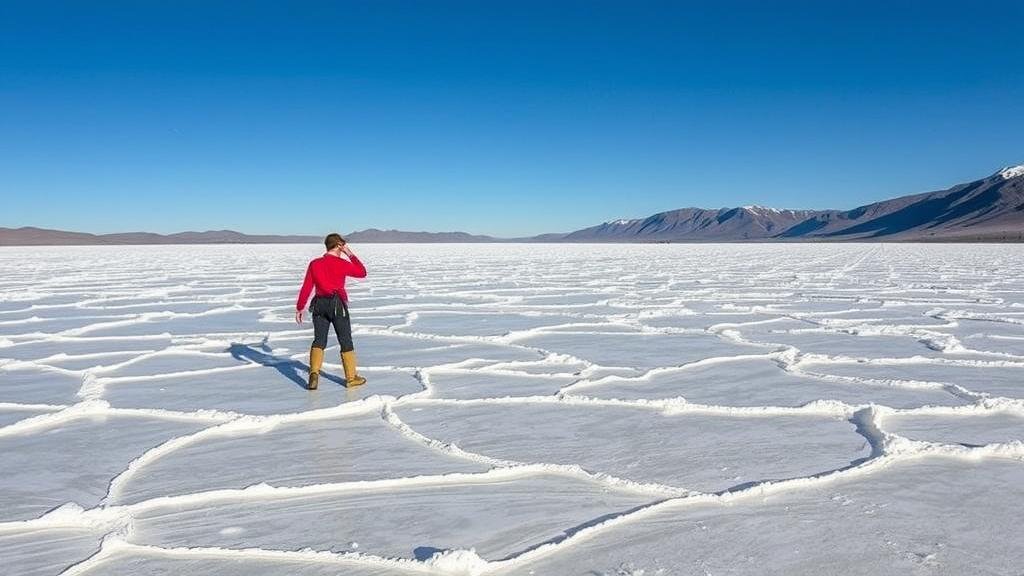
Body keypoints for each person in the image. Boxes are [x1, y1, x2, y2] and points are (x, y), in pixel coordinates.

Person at [295, 233, 367, 390]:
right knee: (345, 340)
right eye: (343, 246)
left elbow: (307, 287)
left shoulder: (315, 263)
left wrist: (300, 307)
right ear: (339, 245)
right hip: (337, 305)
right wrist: (350, 254)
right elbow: (362, 272)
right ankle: (351, 378)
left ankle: (313, 374)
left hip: (319, 305)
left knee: (319, 340)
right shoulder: (341, 263)